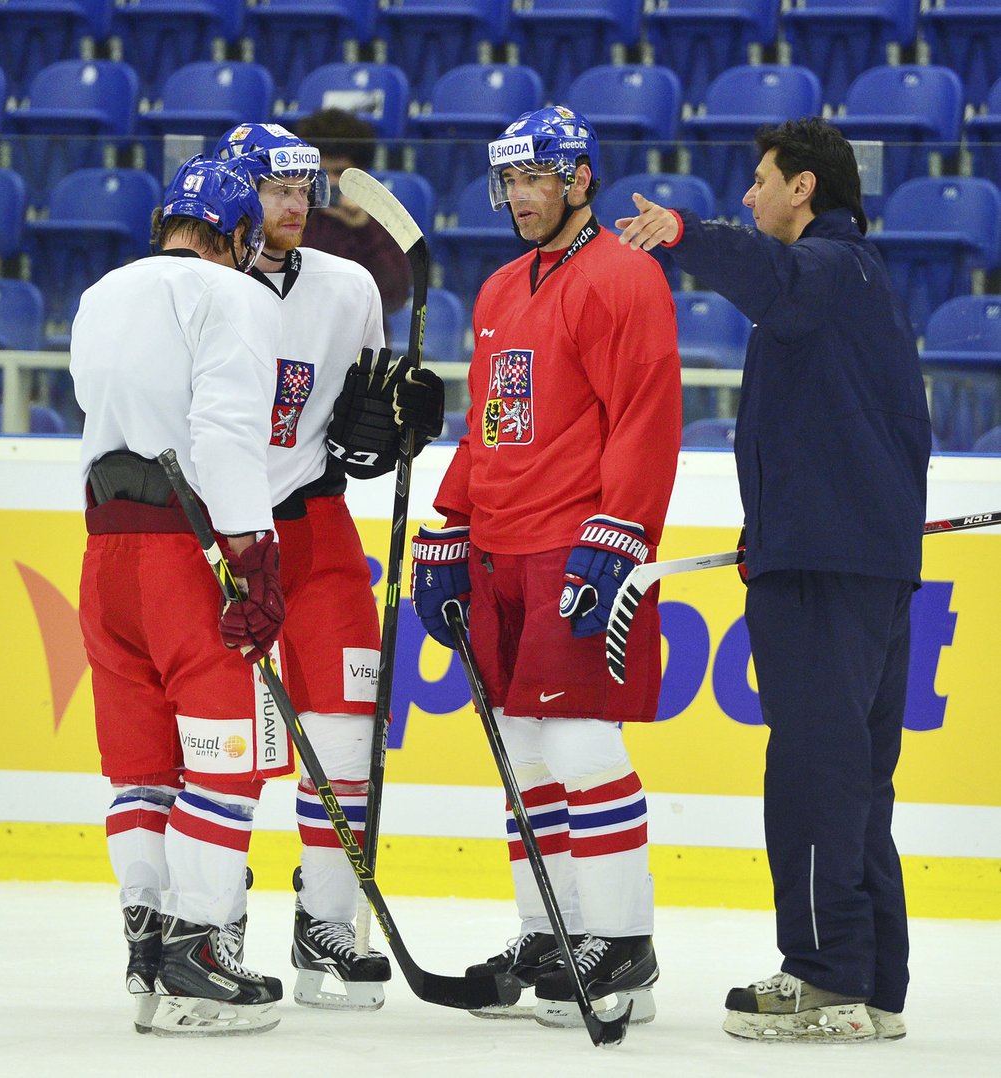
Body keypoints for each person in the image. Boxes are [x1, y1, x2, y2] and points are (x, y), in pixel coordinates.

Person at [617, 116, 932, 1043]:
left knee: (812, 772)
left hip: (823, 568)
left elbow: (772, 278)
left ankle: (827, 974)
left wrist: (684, 234)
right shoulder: (858, 287)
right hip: (857, 563)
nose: (748, 197)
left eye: (760, 182)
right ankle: (874, 980)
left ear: (804, 188)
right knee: (854, 778)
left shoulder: (828, 272)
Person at [410, 106, 683, 1027]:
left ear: (579, 179)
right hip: (502, 549)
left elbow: (646, 414)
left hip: (578, 545)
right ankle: (550, 931)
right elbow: (487, 420)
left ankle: (624, 945)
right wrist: (451, 524)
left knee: (579, 742)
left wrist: (622, 533)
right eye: (510, 181)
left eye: (537, 179)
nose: (521, 198)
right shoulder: (497, 291)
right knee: (523, 753)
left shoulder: (624, 276)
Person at [213, 122, 444, 1011]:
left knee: (348, 735)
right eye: (277, 189)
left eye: (306, 188)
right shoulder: (193, 286)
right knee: (224, 745)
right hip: (219, 541)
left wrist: (405, 415)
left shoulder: (348, 285)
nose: (297, 205)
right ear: (237, 191)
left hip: (315, 531)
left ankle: (328, 926)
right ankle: (214, 923)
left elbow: (362, 423)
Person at [70, 156, 289, 1036]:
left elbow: (101, 407)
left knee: (141, 765)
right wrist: (253, 551)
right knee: (224, 756)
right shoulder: (237, 296)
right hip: (186, 556)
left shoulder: (101, 292)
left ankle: (149, 940)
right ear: (235, 237)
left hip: (103, 552)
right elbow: (226, 431)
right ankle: (200, 951)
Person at [292, 107, 411, 321]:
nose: (329, 182)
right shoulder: (291, 216)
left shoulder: (378, 221)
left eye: (339, 172)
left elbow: (395, 298)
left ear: (361, 175)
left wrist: (364, 229)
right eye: (321, 173)